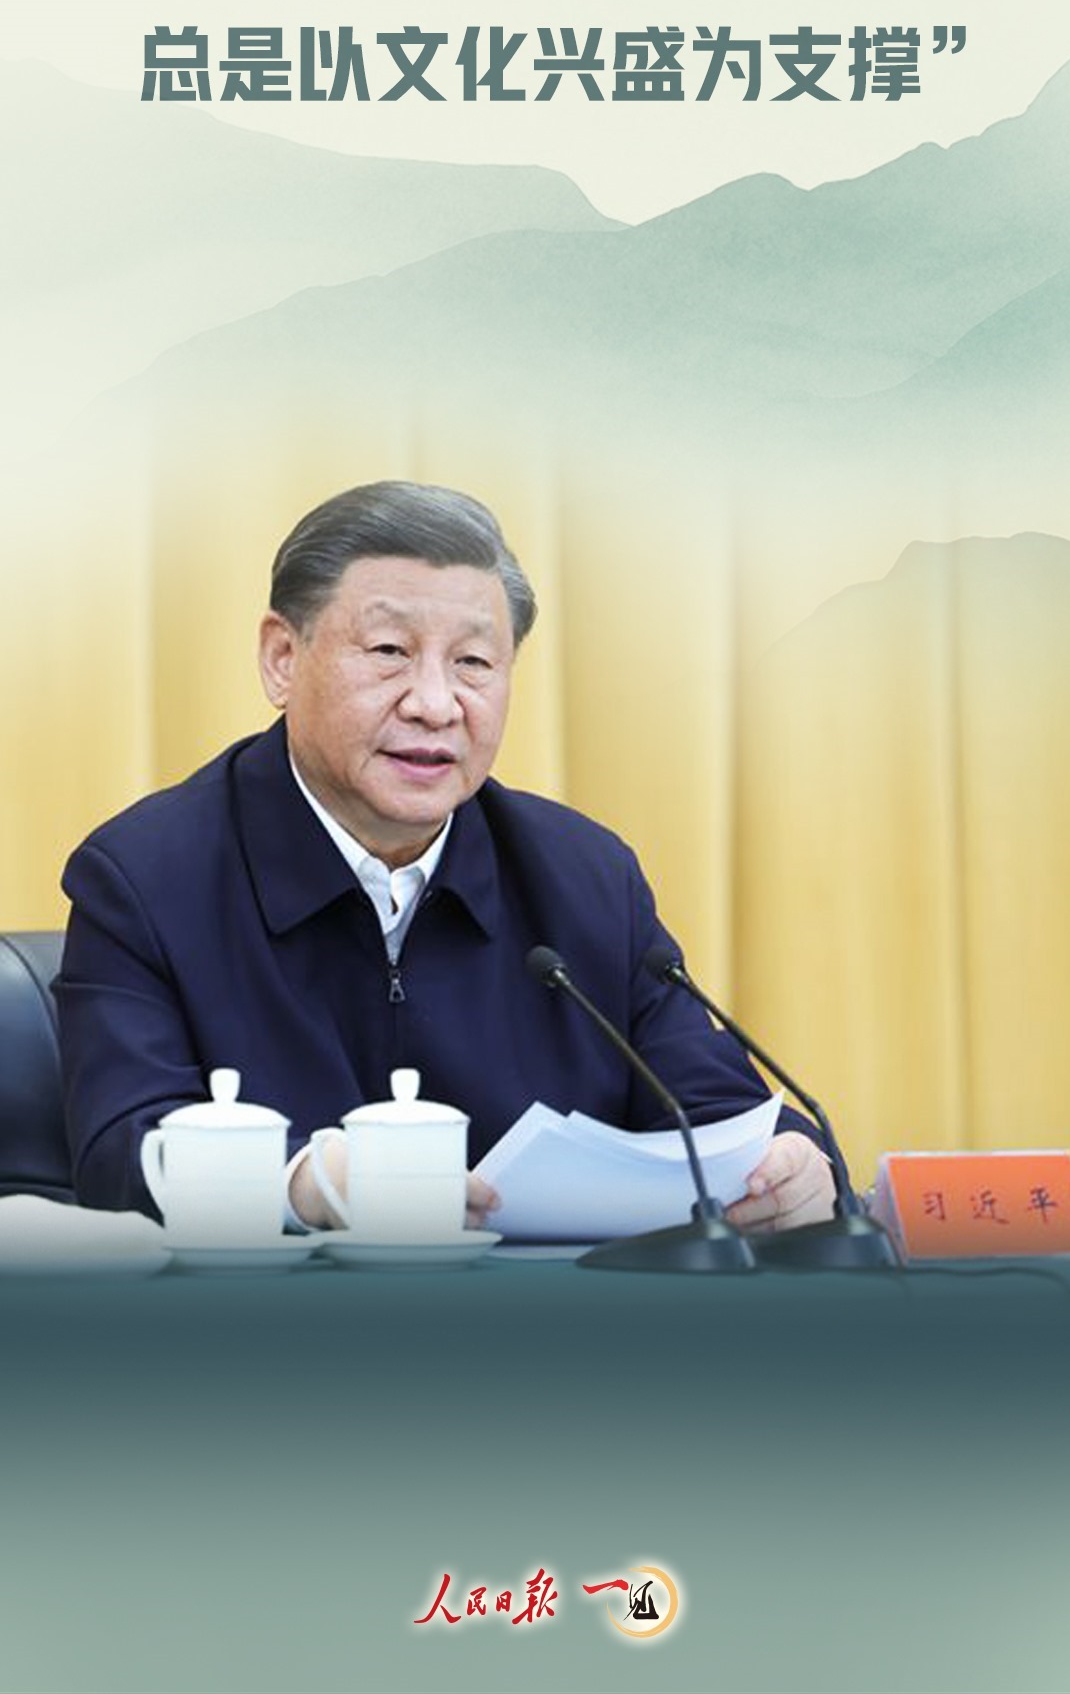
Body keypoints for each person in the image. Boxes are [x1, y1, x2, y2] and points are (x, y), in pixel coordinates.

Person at [57, 481, 836, 1234]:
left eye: (473, 663)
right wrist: (308, 1183)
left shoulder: (586, 878)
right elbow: (122, 1150)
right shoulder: (145, 877)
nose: (435, 704)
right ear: (282, 658)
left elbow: (715, 1113)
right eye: (389, 651)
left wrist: (789, 1165)